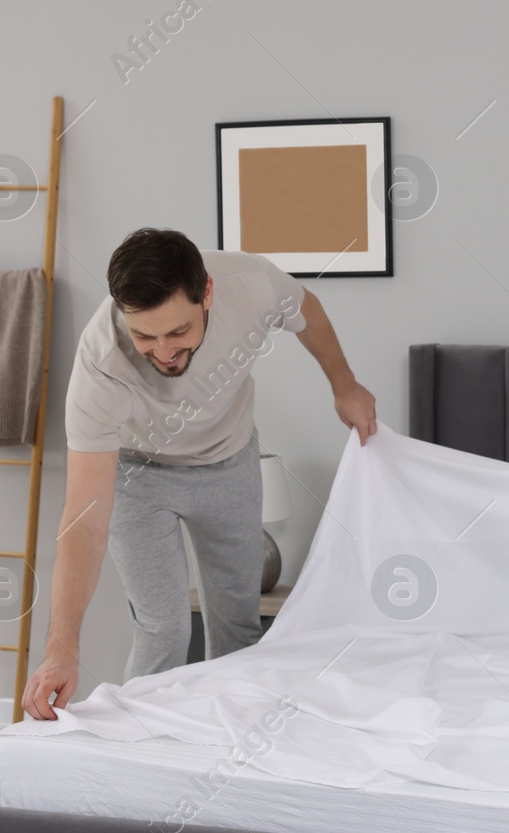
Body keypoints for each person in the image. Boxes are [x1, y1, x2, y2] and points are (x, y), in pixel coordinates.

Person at [22, 228, 378, 720]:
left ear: (207, 293)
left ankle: (233, 744)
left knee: (237, 625)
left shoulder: (251, 284)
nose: (163, 350)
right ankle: (146, 751)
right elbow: (84, 520)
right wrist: (61, 648)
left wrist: (345, 385)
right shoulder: (100, 364)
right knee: (163, 630)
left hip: (228, 463)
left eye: (178, 332)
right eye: (144, 335)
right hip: (139, 475)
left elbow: (308, 312)